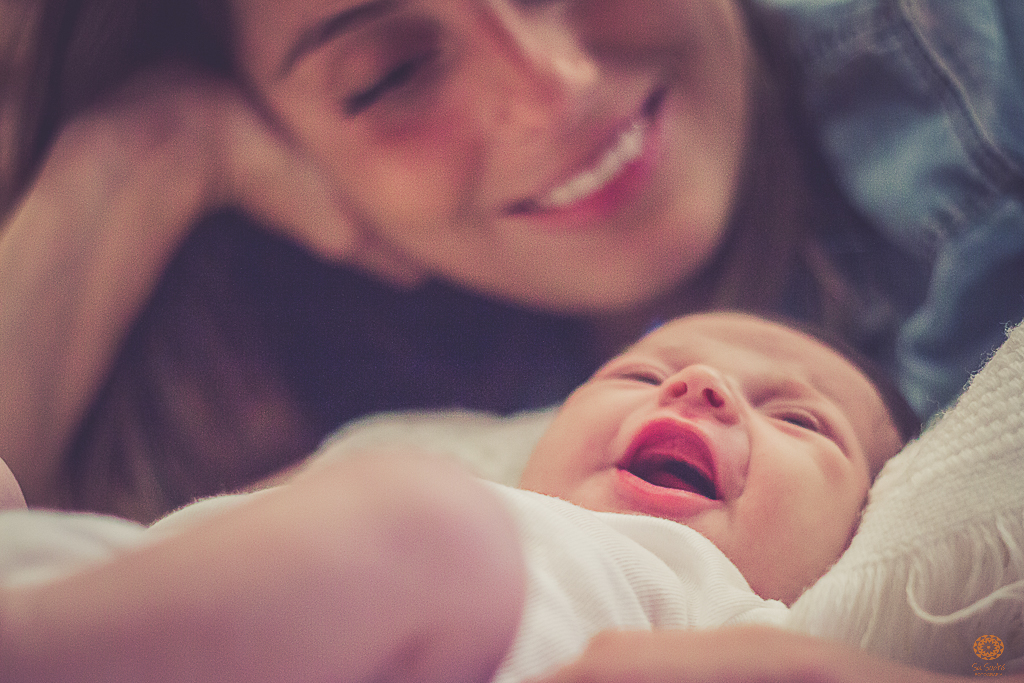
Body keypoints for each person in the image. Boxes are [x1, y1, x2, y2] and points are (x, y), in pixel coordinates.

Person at [2, 0, 1023, 523]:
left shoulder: (957, 58)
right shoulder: (370, 429)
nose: (554, 85)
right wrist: (140, 158)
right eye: (390, 74)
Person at [0, 311, 934, 682]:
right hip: (106, 581)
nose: (699, 388)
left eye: (803, 422)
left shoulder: (727, 613)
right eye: (643, 371)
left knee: (435, 533)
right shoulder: (474, 494)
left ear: (857, 537)